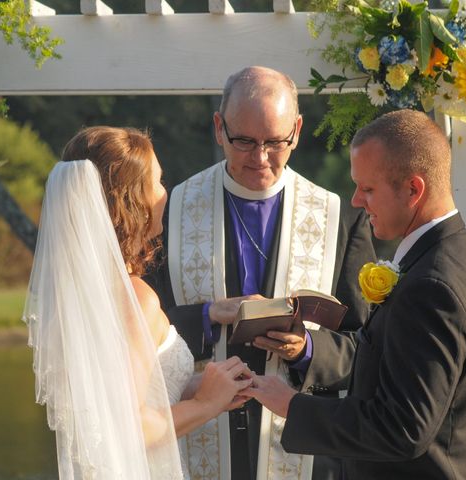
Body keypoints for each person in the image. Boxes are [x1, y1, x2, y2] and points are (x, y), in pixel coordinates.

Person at [244, 109, 466, 479]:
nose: (355, 201)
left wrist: (293, 406)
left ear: (414, 189)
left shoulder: (432, 286)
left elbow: (404, 427)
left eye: (368, 189)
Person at [146, 66, 376, 480]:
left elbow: (368, 347)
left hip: (305, 452)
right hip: (191, 440)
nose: (260, 157)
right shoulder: (172, 210)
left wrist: (306, 348)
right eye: (244, 141)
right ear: (219, 128)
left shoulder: (339, 218)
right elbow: (137, 332)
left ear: (298, 130)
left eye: (275, 142)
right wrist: (207, 315)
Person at [23, 126, 253, 479]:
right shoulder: (135, 300)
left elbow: (122, 395)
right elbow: (129, 427)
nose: (165, 194)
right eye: (158, 183)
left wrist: (207, 386)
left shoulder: (84, 297)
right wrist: (206, 404)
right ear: (132, 201)